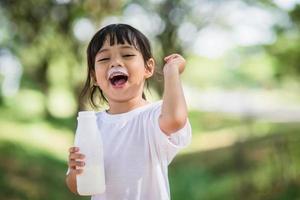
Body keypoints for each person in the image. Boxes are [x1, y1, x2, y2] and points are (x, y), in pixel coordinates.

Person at [65, 23, 192, 200]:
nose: (116, 62)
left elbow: (176, 119)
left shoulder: (154, 115)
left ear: (148, 68)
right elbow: (76, 187)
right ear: (94, 77)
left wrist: (171, 72)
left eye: (127, 55)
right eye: (104, 59)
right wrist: (76, 172)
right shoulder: (91, 125)